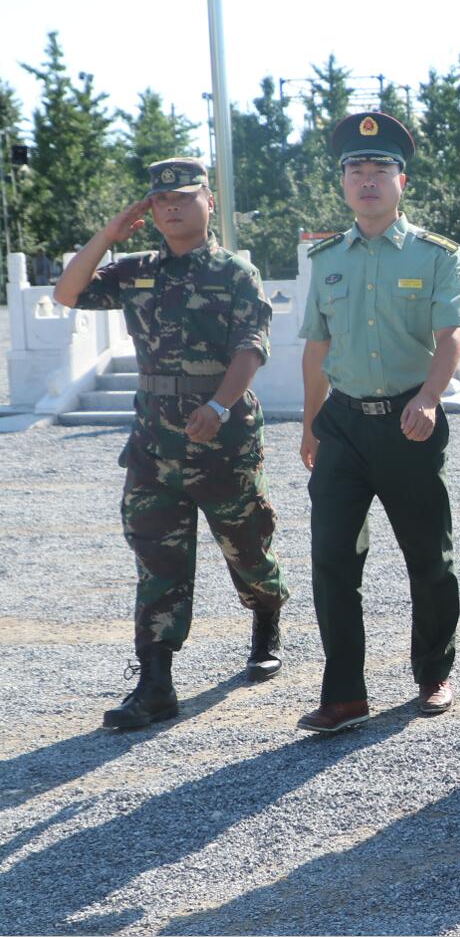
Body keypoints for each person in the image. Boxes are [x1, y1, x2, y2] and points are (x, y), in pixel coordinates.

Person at [52, 157, 289, 729]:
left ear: (208, 201)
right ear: (149, 211)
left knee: (246, 544)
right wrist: (109, 236)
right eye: (162, 201)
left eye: (184, 197)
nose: (173, 207)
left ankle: (266, 614)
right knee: (157, 557)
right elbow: (67, 292)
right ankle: (155, 682)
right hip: (154, 441)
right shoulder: (135, 271)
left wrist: (218, 405)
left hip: (222, 436)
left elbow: (251, 347)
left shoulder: (234, 273)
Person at [296, 112, 460, 734]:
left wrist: (428, 397)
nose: (367, 179)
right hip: (342, 422)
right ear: (342, 183)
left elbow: (450, 337)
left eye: (380, 169)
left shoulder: (435, 256)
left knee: (428, 557)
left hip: (409, 420)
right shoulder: (324, 259)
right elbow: (315, 347)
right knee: (332, 560)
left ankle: (433, 673)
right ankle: (345, 694)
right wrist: (309, 423)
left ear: (403, 181)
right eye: (355, 169)